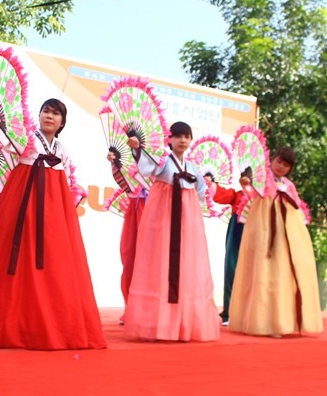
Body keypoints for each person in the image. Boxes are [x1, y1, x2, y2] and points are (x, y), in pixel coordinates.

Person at [0, 98, 106, 350]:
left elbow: (63, 181)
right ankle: (15, 323)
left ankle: (54, 322)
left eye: (55, 114)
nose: (49, 117)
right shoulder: (27, 139)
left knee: (55, 258)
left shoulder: (62, 150)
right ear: (39, 114)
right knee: (20, 254)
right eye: (46, 111)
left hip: (53, 207)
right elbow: (7, 144)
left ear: (62, 122)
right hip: (24, 200)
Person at [123, 121, 220, 342]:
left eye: (186, 136)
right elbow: (147, 167)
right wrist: (137, 148)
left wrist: (211, 185)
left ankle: (184, 324)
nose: (182, 140)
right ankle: (157, 324)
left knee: (186, 265)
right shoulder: (162, 160)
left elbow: (201, 192)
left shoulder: (193, 167)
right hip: (163, 215)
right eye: (178, 136)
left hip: (188, 219)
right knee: (160, 263)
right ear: (169, 139)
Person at [229, 147, 323, 337]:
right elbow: (251, 194)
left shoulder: (288, 185)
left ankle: (281, 322)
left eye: (286, 165)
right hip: (264, 233)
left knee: (281, 274)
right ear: (272, 159)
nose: (281, 167)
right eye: (280, 162)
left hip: (284, 237)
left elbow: (297, 209)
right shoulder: (262, 178)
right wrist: (246, 184)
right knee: (263, 272)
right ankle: (263, 322)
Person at [107, 151, 147, 325]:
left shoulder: (159, 164)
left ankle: (151, 310)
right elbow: (122, 181)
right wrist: (115, 163)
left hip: (155, 212)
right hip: (134, 212)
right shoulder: (132, 167)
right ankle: (131, 307)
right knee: (130, 259)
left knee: (152, 262)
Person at [203, 172, 247, 327]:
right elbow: (221, 195)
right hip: (237, 232)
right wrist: (210, 183)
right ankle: (229, 310)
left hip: (256, 232)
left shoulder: (263, 197)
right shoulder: (238, 195)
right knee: (231, 269)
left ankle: (248, 312)